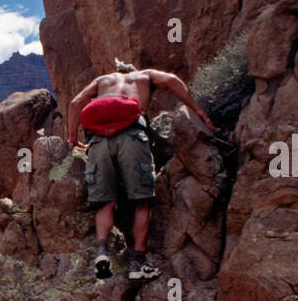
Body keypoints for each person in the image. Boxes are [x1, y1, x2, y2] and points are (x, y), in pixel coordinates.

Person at [68, 59, 215, 281]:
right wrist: (197, 109)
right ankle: (138, 263)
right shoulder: (145, 75)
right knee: (141, 201)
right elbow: (173, 81)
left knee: (105, 201)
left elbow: (75, 103)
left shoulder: (102, 81)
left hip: (98, 142)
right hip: (132, 135)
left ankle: (102, 253)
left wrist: (72, 137)